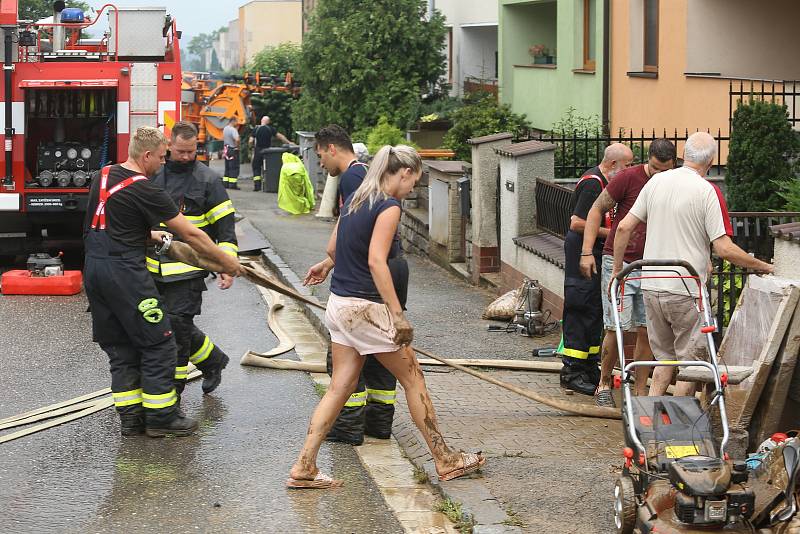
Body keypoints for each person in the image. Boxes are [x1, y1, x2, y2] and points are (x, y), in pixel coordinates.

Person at [288, 145, 484, 488]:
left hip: (339, 304)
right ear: (404, 172)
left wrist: (326, 265)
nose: (412, 189)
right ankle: (445, 459)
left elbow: (334, 248)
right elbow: (378, 261)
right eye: (415, 182)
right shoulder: (389, 206)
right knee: (414, 379)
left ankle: (305, 466)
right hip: (367, 309)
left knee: (341, 386)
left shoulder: (357, 197)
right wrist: (398, 315)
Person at [83, 126, 241, 438]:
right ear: (146, 155)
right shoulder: (145, 187)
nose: (163, 162)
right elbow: (192, 233)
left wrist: (148, 235)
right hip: (126, 273)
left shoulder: (103, 175)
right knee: (159, 343)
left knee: (121, 347)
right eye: (159, 157)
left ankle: (131, 419)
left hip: (95, 271)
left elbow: (109, 222)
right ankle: (161, 417)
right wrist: (227, 262)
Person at [612, 132, 773, 397]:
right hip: (685, 289)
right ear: (711, 162)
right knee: (691, 364)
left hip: (651, 285)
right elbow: (724, 248)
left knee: (664, 359)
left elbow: (624, 228)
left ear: (683, 155)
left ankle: (651, 429)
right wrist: (762, 266)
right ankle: (679, 429)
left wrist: (618, 272)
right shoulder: (707, 191)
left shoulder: (656, 182)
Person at [305, 125, 403, 445]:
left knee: (347, 350)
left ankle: (347, 426)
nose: (320, 162)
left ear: (332, 148)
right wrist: (328, 263)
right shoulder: (361, 175)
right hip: (388, 269)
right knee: (379, 349)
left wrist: (333, 258)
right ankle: (378, 421)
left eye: (320, 154)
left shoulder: (351, 176)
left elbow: (354, 229)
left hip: (369, 276)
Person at [579, 139, 676, 407]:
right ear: (648, 161)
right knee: (616, 327)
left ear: (674, 165)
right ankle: (604, 383)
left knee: (648, 329)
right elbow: (596, 209)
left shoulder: (674, 183)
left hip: (653, 264)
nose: (659, 175)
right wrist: (587, 251)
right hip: (618, 261)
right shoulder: (627, 178)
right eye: (655, 168)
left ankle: (640, 391)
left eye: (665, 170)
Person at [147, 121, 237, 400]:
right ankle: (213, 361)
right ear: (169, 146)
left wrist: (227, 265)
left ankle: (173, 390)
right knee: (163, 323)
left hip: (188, 269)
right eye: (181, 152)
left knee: (178, 329)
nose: (187, 157)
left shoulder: (207, 180)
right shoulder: (153, 175)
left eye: (192, 151)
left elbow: (226, 229)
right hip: (154, 269)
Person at [560, 143, 634, 395]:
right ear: (613, 164)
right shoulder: (593, 184)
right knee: (581, 308)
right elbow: (578, 223)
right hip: (583, 255)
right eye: (627, 165)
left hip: (595, 254)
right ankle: (572, 372)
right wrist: (614, 234)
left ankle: (589, 367)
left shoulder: (607, 183)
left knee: (594, 311)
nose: (630, 170)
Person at [315, 124, 368, 215]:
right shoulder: (363, 170)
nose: (321, 164)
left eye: (320, 156)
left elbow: (355, 225)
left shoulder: (351, 178)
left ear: (331, 149)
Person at [250, 115, 292, 192]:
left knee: (256, 168)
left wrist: (252, 148)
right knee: (268, 168)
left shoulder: (256, 129)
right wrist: (289, 142)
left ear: (261, 121)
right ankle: (267, 185)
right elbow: (280, 136)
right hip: (268, 152)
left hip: (258, 151)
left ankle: (257, 186)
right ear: (268, 122)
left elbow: (250, 141)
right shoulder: (270, 129)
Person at [222, 118, 240, 190]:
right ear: (233, 121)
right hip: (232, 149)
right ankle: (232, 185)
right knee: (234, 167)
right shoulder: (233, 129)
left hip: (226, 149)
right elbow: (237, 139)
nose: (237, 123)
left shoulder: (225, 129)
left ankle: (225, 184)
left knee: (227, 167)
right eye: (236, 122)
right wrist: (237, 146)